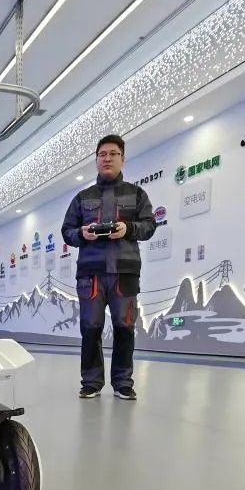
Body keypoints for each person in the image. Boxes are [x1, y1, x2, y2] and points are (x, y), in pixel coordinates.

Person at [61, 134, 156, 400]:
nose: (107, 158)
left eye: (113, 154)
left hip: (125, 273)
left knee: (125, 327)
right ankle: (91, 382)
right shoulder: (82, 198)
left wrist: (128, 228)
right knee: (90, 327)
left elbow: (149, 225)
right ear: (96, 160)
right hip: (90, 275)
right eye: (102, 154)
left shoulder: (137, 194)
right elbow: (67, 231)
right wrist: (83, 234)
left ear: (122, 159)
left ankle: (123, 383)